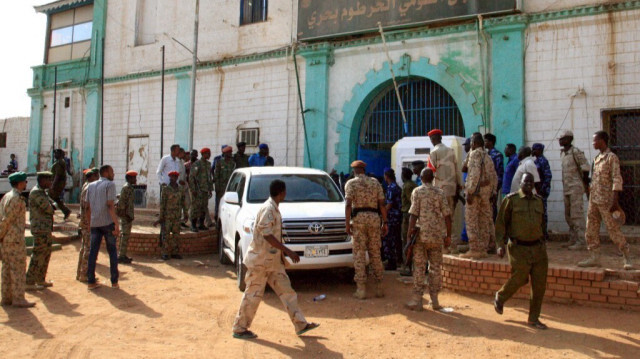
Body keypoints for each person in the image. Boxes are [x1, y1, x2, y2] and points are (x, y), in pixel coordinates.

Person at [231, 179, 320, 339]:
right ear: (281, 192)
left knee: (287, 292)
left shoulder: (273, 208)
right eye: (285, 192)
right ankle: (239, 328)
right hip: (260, 262)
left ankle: (300, 324)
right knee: (253, 295)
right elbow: (267, 235)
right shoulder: (268, 209)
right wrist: (288, 251)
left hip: (272, 263)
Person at [494, 172, 548, 330]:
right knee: (521, 276)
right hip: (518, 248)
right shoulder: (511, 200)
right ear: (520, 183)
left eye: (531, 183)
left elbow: (543, 222)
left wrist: (544, 237)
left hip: (538, 249)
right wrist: (500, 245)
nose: (529, 185)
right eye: (526, 182)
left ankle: (533, 319)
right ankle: (501, 296)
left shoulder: (539, 201)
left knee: (539, 285)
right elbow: (501, 224)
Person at [578, 131, 633, 270]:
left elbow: (616, 179)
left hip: (607, 202)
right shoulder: (597, 159)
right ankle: (594, 257)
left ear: (602, 140)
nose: (593, 143)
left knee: (613, 230)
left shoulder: (611, 158)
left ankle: (627, 256)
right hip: (594, 201)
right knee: (590, 229)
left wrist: (615, 202)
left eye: (595, 140)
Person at [405, 168, 452, 311]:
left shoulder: (417, 191)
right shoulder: (440, 193)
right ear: (433, 178)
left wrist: (409, 234)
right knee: (435, 268)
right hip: (437, 236)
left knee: (419, 267)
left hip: (421, 236)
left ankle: (417, 300)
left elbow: (413, 214)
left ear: (421, 177)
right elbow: (447, 216)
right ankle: (435, 300)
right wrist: (448, 235)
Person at [345, 160, 388, 299]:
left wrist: (347, 223)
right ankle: (380, 287)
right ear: (364, 169)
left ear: (354, 170)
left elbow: (348, 205)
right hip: (375, 218)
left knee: (359, 254)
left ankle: (361, 289)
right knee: (375, 253)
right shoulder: (375, 182)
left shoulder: (351, 183)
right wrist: (385, 222)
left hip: (359, 219)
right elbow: (382, 204)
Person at [0, 172, 36, 307]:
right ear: (20, 183)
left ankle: (6, 298)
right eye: (25, 182)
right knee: (18, 270)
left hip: (6, 239)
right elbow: (7, 220)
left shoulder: (6, 197)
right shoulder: (16, 199)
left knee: (6, 269)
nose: (26, 184)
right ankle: (18, 298)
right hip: (14, 239)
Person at [461, 133, 497, 259]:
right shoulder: (487, 155)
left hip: (476, 191)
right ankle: (483, 248)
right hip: (486, 191)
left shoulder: (475, 154)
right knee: (484, 220)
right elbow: (493, 175)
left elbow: (474, 173)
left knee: (471, 220)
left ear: (474, 143)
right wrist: (493, 192)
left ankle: (475, 249)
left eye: (471, 142)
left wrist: (470, 191)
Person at [86, 165, 120, 290]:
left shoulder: (90, 186)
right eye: (112, 171)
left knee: (93, 253)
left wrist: (90, 223)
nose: (113, 174)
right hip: (107, 222)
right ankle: (114, 281)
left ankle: (90, 281)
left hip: (95, 223)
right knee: (112, 252)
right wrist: (116, 223)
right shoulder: (110, 185)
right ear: (106, 172)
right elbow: (110, 205)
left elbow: (88, 207)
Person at [428, 129, 462, 253]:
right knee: (450, 218)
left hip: (439, 191)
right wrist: (459, 187)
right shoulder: (451, 151)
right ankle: (453, 246)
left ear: (433, 139)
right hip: (451, 190)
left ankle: (444, 248)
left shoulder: (434, 152)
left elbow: (430, 172)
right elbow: (457, 171)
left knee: (440, 219)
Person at [558, 130, 590, 250]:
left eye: (562, 139)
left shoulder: (575, 152)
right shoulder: (563, 153)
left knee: (576, 215)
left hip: (575, 187)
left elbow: (585, 168)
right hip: (567, 188)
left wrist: (585, 186)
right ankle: (573, 238)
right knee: (568, 215)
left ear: (569, 139)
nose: (560, 141)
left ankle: (581, 241)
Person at [25, 171, 56, 290]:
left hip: (45, 228)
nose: (50, 183)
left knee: (46, 253)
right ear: (42, 180)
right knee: (38, 254)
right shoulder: (36, 192)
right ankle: (29, 281)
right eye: (49, 180)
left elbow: (52, 205)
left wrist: (52, 206)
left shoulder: (43, 192)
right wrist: (52, 206)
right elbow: (49, 208)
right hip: (40, 228)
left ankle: (40, 279)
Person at [154, 171, 187, 260]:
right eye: (172, 176)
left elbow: (183, 203)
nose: (173, 178)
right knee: (166, 235)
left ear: (177, 178)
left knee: (176, 235)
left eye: (175, 177)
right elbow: (162, 204)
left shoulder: (180, 189)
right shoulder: (165, 189)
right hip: (167, 216)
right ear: (169, 177)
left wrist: (186, 214)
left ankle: (175, 252)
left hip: (177, 216)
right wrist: (161, 217)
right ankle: (165, 253)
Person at [77, 168, 98, 282]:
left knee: (84, 248)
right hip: (88, 223)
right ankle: (85, 274)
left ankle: (80, 273)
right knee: (88, 250)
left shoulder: (86, 186)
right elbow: (87, 207)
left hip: (86, 222)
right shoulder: (89, 188)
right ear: (92, 177)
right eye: (96, 176)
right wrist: (91, 223)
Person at [189, 148, 213, 232]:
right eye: (208, 153)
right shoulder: (197, 164)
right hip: (198, 190)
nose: (209, 155)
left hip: (205, 190)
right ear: (203, 154)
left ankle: (201, 224)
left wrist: (210, 189)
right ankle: (193, 225)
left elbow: (209, 178)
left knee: (203, 207)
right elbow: (192, 177)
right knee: (195, 207)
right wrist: (193, 189)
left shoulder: (208, 164)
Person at [382, 168, 402, 270]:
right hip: (397, 217)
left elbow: (389, 204)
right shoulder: (397, 187)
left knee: (389, 240)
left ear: (386, 176)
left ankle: (391, 262)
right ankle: (396, 260)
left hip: (391, 218)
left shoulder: (391, 188)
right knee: (396, 239)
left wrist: (383, 213)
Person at [532, 143, 552, 241]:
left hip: (542, 191)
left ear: (539, 150)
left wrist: (542, 190)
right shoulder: (535, 161)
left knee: (542, 213)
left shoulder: (543, 161)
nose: (533, 151)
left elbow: (547, 176)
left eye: (534, 149)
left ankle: (544, 234)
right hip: (537, 191)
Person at [400, 167, 417, 276]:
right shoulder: (413, 185)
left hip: (408, 215)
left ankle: (408, 266)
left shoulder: (408, 186)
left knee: (407, 240)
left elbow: (411, 202)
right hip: (410, 215)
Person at [117, 171, 137, 264]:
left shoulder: (130, 188)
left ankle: (122, 254)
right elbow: (121, 203)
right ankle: (121, 256)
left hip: (128, 215)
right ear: (129, 178)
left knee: (125, 236)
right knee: (124, 235)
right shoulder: (126, 188)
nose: (135, 180)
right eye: (134, 178)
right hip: (126, 216)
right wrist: (126, 215)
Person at [214, 146, 236, 221]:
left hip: (229, 188)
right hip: (221, 188)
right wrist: (217, 187)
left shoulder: (233, 163)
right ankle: (217, 219)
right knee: (219, 204)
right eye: (229, 152)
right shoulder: (219, 162)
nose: (230, 154)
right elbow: (216, 176)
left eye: (231, 152)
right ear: (225, 153)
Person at [484, 133, 504, 217]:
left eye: (485, 141)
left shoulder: (497, 155)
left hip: (493, 186)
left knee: (492, 207)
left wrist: (496, 188)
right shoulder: (485, 154)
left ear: (490, 142)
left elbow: (499, 172)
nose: (484, 143)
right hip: (485, 185)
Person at [49, 148, 71, 219]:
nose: (55, 155)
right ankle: (66, 211)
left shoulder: (60, 163)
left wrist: (53, 185)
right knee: (56, 198)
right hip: (58, 184)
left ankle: (50, 211)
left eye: (56, 153)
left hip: (57, 184)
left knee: (49, 197)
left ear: (60, 154)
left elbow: (57, 175)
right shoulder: (60, 162)